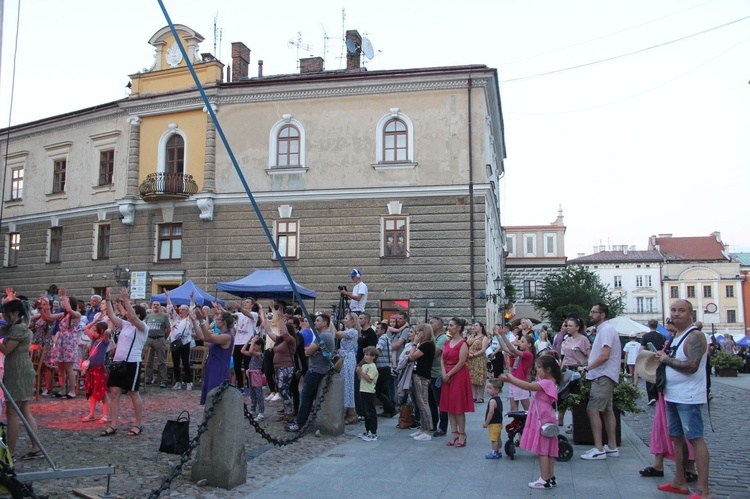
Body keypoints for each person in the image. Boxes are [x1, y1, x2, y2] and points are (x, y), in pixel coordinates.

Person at [655, 300, 712, 498]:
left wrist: (665, 359)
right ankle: (680, 481)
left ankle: (704, 490)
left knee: (695, 439)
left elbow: (692, 366)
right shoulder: (677, 336)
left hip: (688, 397)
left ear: (691, 314)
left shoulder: (695, 336)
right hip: (672, 394)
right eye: (673, 310)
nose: (676, 314)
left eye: (681, 310)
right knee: (676, 440)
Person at [640, 318, 697, 483]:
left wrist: (665, 358)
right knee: (660, 427)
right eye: (669, 331)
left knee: (686, 431)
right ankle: (658, 463)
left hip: (683, 392)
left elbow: (691, 365)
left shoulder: (691, 339)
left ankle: (689, 467)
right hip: (665, 390)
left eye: (671, 331)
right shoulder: (670, 341)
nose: (670, 334)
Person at [502, 355, 562, 489]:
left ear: (548, 369)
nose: (537, 371)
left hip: (542, 416)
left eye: (539, 368)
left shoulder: (546, 383)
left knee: (542, 450)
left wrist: (511, 378)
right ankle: (550, 477)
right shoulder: (551, 380)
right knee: (549, 449)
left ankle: (544, 479)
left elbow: (528, 386)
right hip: (546, 415)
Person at [100, 288, 148, 437]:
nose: (127, 313)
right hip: (119, 362)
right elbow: (111, 316)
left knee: (133, 394)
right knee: (114, 392)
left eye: (130, 311)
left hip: (132, 363)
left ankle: (137, 424)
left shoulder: (142, 327)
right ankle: (113, 424)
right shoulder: (126, 325)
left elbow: (133, 317)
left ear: (138, 314)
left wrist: (126, 299)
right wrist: (108, 299)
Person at [0, 293, 42, 459]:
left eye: (7, 314)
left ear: (16, 313)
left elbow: (6, 349)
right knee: (24, 410)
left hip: (18, 371)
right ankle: (36, 447)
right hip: (19, 369)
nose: (5, 317)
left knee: (12, 412)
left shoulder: (19, 328)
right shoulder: (18, 325)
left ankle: (9, 452)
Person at [579, 303, 621, 460]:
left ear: (602, 315)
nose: (590, 314)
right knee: (607, 410)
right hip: (604, 374)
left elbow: (604, 355)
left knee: (593, 410)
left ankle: (599, 448)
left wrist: (587, 368)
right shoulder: (604, 330)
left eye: (593, 312)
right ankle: (611, 447)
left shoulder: (606, 330)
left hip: (603, 375)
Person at [286, 314, 335, 432]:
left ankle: (300, 422)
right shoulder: (322, 335)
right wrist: (311, 351)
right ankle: (302, 421)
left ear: (325, 323)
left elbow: (307, 352)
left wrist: (311, 351)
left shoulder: (323, 335)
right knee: (307, 395)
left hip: (316, 370)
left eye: (318, 320)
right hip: (316, 368)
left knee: (306, 396)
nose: (315, 322)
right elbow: (309, 350)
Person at [439, 318, 474, 447]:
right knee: (449, 406)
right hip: (447, 374)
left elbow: (461, 362)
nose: (449, 327)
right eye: (449, 325)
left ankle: (462, 434)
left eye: (451, 325)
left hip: (458, 374)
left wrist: (449, 374)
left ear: (459, 328)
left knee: (458, 407)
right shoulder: (447, 342)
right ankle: (453, 432)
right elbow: (442, 359)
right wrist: (444, 373)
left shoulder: (463, 343)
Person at [190, 306, 235, 406]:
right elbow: (202, 337)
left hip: (218, 369)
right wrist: (194, 321)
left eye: (218, 319)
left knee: (215, 395)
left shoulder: (227, 336)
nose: (215, 321)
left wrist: (201, 320)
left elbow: (208, 337)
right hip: (212, 367)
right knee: (209, 397)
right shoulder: (220, 334)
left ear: (224, 322)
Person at [41, 287, 81, 399]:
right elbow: (48, 317)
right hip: (61, 340)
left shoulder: (76, 314)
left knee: (68, 367)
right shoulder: (63, 315)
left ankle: (72, 391)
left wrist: (63, 296)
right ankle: (62, 389)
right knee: (60, 366)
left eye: (66, 301)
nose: (64, 303)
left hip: (69, 341)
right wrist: (45, 305)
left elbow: (70, 310)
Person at [558, 316, 590, 427]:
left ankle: (575, 421)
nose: (567, 328)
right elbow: (565, 356)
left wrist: (585, 368)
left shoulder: (583, 339)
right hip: (567, 369)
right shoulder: (567, 339)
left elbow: (589, 356)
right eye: (567, 325)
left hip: (578, 370)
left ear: (577, 327)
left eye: (570, 326)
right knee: (563, 394)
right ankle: (560, 419)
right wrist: (561, 370)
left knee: (575, 396)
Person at [409, 324, 436, 441]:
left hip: (422, 376)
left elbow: (412, 356)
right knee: (420, 403)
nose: (417, 333)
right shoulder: (424, 345)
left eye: (419, 331)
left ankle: (427, 430)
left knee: (424, 402)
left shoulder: (427, 345)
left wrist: (415, 343)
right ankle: (423, 428)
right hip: (418, 374)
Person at [497, 330, 535, 411]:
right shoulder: (522, 353)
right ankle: (517, 422)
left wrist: (503, 335)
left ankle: (530, 422)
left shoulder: (528, 354)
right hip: (515, 381)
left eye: (522, 341)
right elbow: (505, 348)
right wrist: (498, 335)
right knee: (513, 408)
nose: (520, 343)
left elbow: (512, 349)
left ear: (529, 345)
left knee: (527, 408)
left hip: (520, 381)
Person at [81, 321, 110, 424]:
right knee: (92, 391)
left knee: (103, 392)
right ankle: (92, 413)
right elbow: (85, 328)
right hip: (91, 370)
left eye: (95, 330)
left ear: (101, 331)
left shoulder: (104, 341)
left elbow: (107, 332)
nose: (93, 332)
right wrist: (95, 320)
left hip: (99, 369)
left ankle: (105, 415)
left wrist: (108, 323)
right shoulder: (94, 339)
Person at [165, 290, 194, 391]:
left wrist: (191, 300)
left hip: (185, 343)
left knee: (185, 362)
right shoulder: (176, 319)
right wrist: (167, 296)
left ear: (186, 311)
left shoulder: (188, 320)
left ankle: (189, 382)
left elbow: (192, 310)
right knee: (175, 363)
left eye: (183, 310)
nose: (180, 311)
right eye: (180, 309)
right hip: (174, 343)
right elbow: (170, 309)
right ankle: (178, 382)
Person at [335, 312, 360, 424]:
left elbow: (338, 334)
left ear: (352, 321)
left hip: (348, 359)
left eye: (346, 318)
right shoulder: (349, 331)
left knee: (348, 384)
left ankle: (351, 412)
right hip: (345, 357)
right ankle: (349, 411)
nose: (344, 320)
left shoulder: (353, 331)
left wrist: (331, 323)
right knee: (345, 384)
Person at [355, 313, 378, 420]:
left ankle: (363, 412)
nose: (359, 320)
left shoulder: (371, 333)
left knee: (364, 387)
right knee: (358, 388)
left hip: (364, 364)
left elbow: (370, 351)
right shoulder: (360, 332)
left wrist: (360, 364)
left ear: (367, 320)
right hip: (358, 360)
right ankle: (359, 410)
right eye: (358, 318)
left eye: (361, 318)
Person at [374, 321, 398, 418]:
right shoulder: (386, 338)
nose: (376, 330)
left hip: (382, 368)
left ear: (383, 330)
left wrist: (370, 355)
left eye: (378, 329)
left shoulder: (383, 338)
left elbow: (378, 350)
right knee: (385, 391)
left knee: (378, 392)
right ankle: (388, 411)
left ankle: (392, 408)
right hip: (386, 368)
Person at [145, 301, 171, 388]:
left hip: (159, 338)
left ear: (160, 307)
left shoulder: (164, 316)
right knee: (149, 360)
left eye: (157, 305)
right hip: (149, 339)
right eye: (154, 305)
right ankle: (148, 379)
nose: (155, 306)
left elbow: (168, 329)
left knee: (161, 361)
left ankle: (164, 380)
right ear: (151, 306)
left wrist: (164, 338)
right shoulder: (148, 316)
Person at [356, 346, 379, 441]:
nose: (365, 356)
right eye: (365, 354)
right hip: (363, 390)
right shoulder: (364, 366)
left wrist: (361, 373)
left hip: (369, 391)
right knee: (365, 412)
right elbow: (360, 378)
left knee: (370, 412)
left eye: (368, 355)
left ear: (373, 357)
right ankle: (368, 430)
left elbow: (369, 379)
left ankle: (373, 432)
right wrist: (359, 372)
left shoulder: (372, 367)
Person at [241, 336, 266, 421]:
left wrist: (252, 340)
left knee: (259, 394)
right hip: (251, 374)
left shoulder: (260, 354)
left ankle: (261, 413)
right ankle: (252, 410)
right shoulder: (254, 353)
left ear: (260, 346)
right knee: (252, 394)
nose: (253, 346)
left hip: (256, 375)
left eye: (255, 345)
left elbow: (251, 351)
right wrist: (249, 340)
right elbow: (243, 351)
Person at [642, 318, 666, 405]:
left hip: (649, 357)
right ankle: (658, 395)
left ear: (649, 325)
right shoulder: (661, 336)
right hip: (659, 357)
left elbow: (642, 349)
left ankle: (651, 397)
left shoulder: (645, 336)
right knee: (658, 375)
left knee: (649, 375)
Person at [466, 321, 490, 403]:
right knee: (472, 378)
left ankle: (481, 396)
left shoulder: (484, 337)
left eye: (476, 325)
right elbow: (466, 344)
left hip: (479, 359)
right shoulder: (472, 336)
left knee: (480, 378)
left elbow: (483, 349)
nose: (475, 327)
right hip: (470, 360)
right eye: (474, 325)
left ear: (481, 327)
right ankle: (474, 396)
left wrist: (474, 355)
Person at [482, 377, 504, 459]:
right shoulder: (499, 400)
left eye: (490, 388)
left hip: (493, 423)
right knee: (498, 437)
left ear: (496, 390)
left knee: (494, 438)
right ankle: (498, 450)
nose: (487, 390)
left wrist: (486, 423)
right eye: (487, 387)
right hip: (498, 422)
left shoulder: (492, 401)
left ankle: (494, 452)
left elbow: (491, 412)